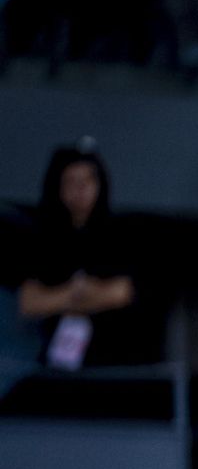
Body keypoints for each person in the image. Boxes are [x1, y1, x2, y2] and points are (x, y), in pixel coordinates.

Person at [16, 142, 136, 370]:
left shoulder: (118, 235)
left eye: (87, 181)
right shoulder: (42, 238)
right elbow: (29, 302)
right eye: (71, 181)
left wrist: (67, 298)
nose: (80, 190)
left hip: (110, 357)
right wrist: (76, 293)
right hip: (52, 359)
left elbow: (122, 292)